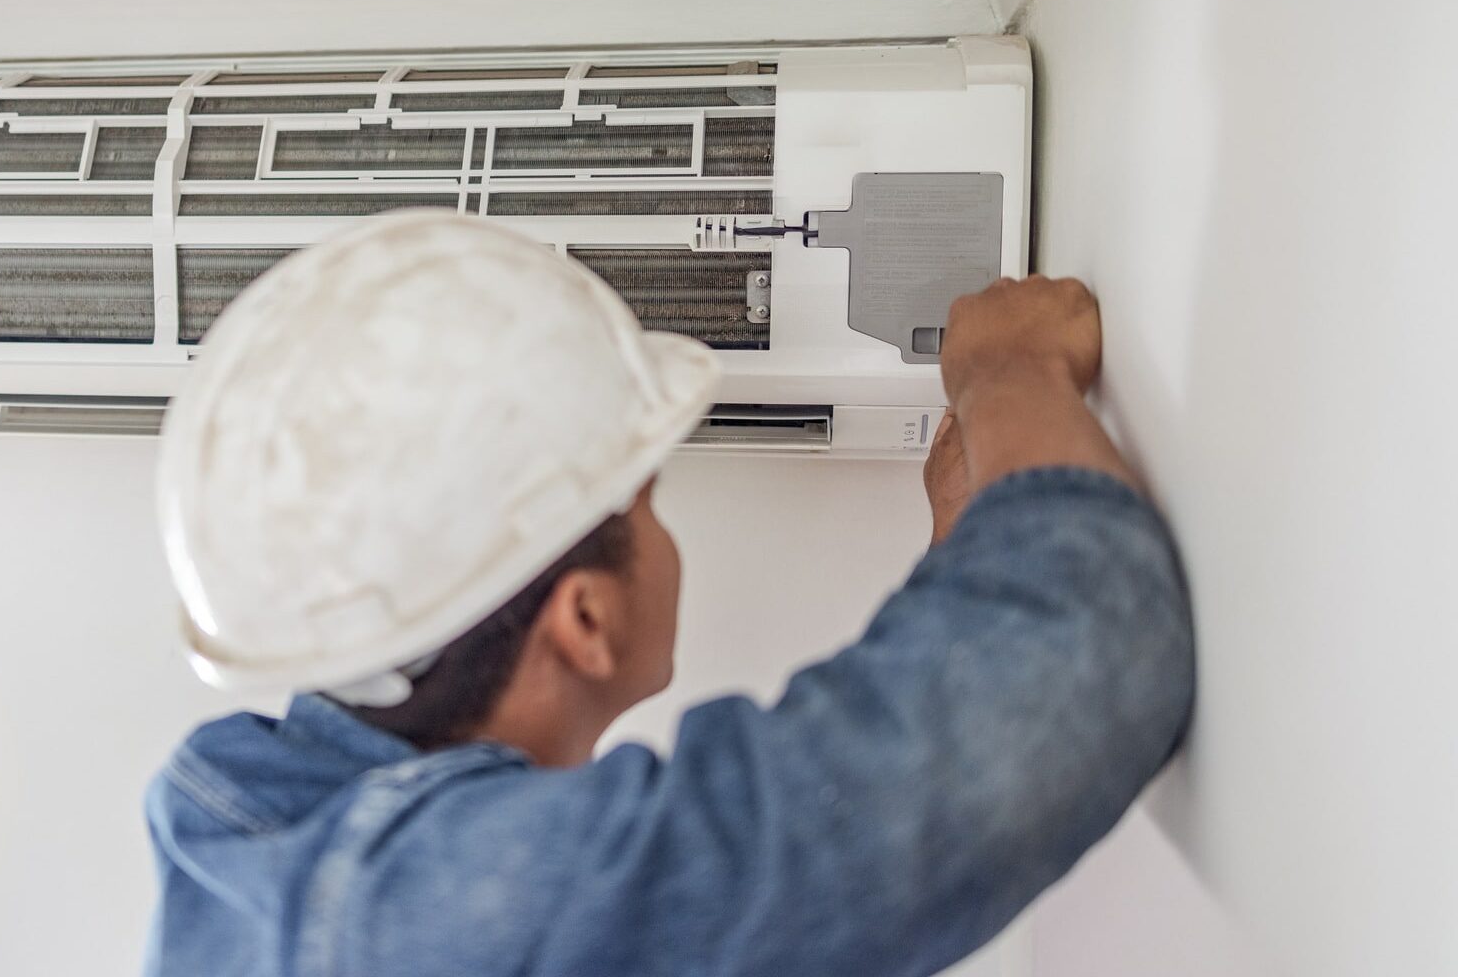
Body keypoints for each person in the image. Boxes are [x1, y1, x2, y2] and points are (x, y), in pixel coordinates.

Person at [144, 211, 1194, 976]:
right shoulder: (435, 923)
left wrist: (965, 548)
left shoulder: (255, 864)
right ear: (585, 620)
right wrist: (1011, 374)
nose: (660, 525)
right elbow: (1087, 649)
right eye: (648, 500)